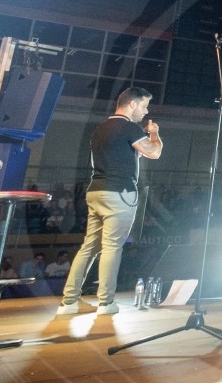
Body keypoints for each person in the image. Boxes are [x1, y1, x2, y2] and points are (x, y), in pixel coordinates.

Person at [59, 87, 162, 316]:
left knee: (89, 246)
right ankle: (106, 303)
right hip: (119, 194)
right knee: (112, 247)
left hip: (96, 191)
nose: (145, 112)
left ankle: (69, 302)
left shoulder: (100, 129)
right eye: (144, 106)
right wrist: (154, 133)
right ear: (132, 104)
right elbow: (154, 153)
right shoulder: (129, 127)